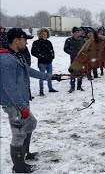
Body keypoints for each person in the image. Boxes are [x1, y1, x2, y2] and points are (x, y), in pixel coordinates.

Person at [0, 28, 61, 173]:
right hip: (14, 103)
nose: (26, 42)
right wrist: (22, 106)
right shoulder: (6, 59)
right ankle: (19, 166)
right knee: (19, 132)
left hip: (20, 100)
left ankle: (25, 153)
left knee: (30, 124)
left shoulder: (15, 55)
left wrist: (50, 77)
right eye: (24, 39)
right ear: (16, 40)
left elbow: (29, 71)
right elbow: (8, 86)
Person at [31, 28, 58, 96]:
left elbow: (52, 50)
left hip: (49, 62)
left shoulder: (49, 42)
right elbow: (33, 52)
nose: (45, 36)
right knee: (42, 76)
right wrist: (40, 56)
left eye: (46, 34)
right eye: (43, 34)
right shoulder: (36, 43)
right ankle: (41, 90)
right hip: (42, 63)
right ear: (40, 35)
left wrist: (52, 56)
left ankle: (50, 88)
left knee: (49, 76)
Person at [64, 26, 86, 93]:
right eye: (76, 32)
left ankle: (79, 86)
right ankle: (72, 86)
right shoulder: (69, 40)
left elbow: (85, 48)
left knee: (81, 72)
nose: (77, 33)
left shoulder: (82, 40)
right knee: (73, 72)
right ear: (73, 33)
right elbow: (65, 49)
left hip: (81, 59)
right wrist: (71, 52)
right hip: (74, 59)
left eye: (78, 32)